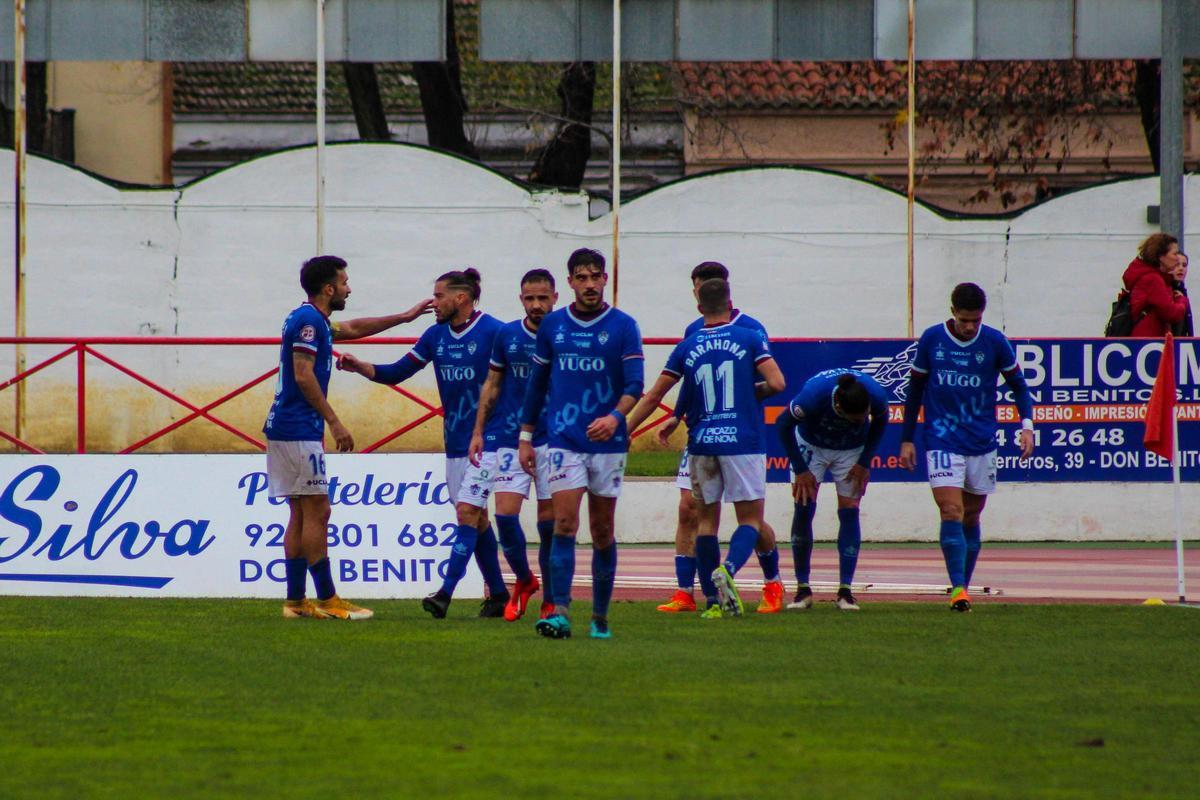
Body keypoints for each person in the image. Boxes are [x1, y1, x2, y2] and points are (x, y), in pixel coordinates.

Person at [338, 269, 514, 619]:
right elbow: (397, 372)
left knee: (467, 513)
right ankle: (498, 595)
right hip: (455, 441)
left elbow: (524, 374)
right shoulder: (436, 336)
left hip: (490, 439)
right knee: (475, 519)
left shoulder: (495, 332)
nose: (432, 303)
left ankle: (445, 594)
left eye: (438, 296)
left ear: (460, 298)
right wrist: (360, 366)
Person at [267, 254, 432, 620]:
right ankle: (327, 599)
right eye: (344, 282)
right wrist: (334, 422)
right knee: (318, 510)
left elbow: (355, 328)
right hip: (298, 428)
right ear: (329, 288)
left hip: (285, 427)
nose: (349, 288)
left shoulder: (311, 318)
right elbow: (304, 375)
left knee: (299, 512)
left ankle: (296, 602)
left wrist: (405, 317)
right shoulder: (310, 321)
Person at [628, 278, 786, 617]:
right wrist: (748, 392)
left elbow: (654, 395)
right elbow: (777, 383)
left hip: (702, 441)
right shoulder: (749, 336)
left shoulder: (689, 343)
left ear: (699, 307)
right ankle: (727, 569)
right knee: (750, 520)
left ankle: (713, 604)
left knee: (705, 523)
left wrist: (625, 428)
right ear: (730, 303)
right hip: (741, 440)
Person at [518, 248, 644, 639]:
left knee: (602, 529)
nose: (589, 284)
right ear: (569, 282)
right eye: (581, 277)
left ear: (605, 279)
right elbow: (537, 386)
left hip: (608, 443)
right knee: (564, 524)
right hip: (563, 440)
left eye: (596, 277)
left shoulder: (624, 326)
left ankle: (601, 617)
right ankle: (560, 612)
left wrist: (615, 417)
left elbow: (635, 385)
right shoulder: (553, 326)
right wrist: (525, 437)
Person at [898, 282, 1035, 612]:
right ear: (952, 312)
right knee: (950, 510)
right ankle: (958, 588)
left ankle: (964, 583)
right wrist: (906, 439)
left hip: (982, 440)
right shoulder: (932, 339)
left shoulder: (994, 342)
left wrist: (1027, 426)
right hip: (941, 439)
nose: (970, 326)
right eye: (964, 320)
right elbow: (915, 390)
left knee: (971, 516)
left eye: (975, 320)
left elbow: (1019, 386)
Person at [464, 269, 559, 622]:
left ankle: (551, 595)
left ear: (555, 298)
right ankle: (523, 580)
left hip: (553, 438)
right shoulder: (507, 336)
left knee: (549, 523)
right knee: (504, 516)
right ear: (521, 300)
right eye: (530, 298)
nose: (537, 305)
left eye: (543, 298)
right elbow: (491, 383)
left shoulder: (565, 333)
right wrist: (478, 431)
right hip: (507, 437)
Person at [775, 369, 888, 611]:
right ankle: (802, 589)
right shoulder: (813, 397)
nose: (860, 422)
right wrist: (801, 469)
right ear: (838, 404)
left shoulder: (876, 394)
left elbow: (881, 422)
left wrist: (864, 462)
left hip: (851, 450)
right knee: (804, 506)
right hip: (811, 444)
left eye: (863, 418)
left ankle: (845, 592)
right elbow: (782, 425)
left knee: (850, 510)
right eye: (855, 419)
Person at [1122, 233, 1187, 337]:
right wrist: (1181, 300)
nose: (1178, 259)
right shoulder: (1152, 280)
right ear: (1161, 256)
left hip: (1145, 342)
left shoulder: (1157, 278)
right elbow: (1171, 313)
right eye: (1175, 254)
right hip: (1147, 342)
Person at [1172, 252, 1192, 337]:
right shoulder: (1169, 291)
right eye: (1176, 265)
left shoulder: (1182, 290)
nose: (1181, 268)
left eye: (1184, 265)